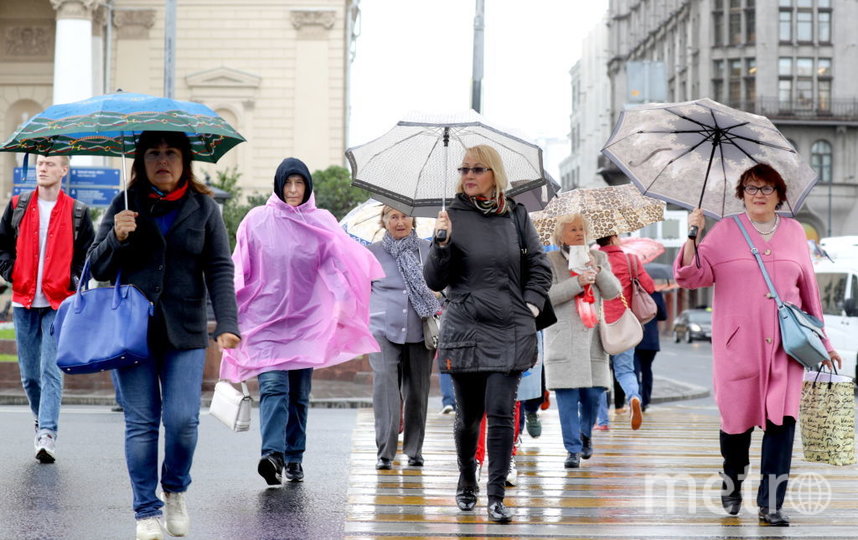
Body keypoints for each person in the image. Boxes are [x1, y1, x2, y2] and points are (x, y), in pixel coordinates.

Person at [88, 131, 241, 540]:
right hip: (130, 333)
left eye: (171, 153)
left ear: (184, 160)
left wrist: (227, 323)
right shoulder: (124, 204)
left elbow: (220, 268)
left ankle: (174, 488)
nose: (162, 160)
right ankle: (146, 510)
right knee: (141, 423)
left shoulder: (204, 207)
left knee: (181, 422)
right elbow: (96, 267)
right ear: (141, 161)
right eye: (153, 153)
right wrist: (117, 238)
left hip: (186, 331)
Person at [676, 163, 842, 527]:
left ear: (780, 195)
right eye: (751, 188)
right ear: (741, 194)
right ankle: (732, 481)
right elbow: (691, 276)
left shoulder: (796, 232)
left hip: (787, 347)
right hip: (738, 348)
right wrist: (693, 235)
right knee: (736, 427)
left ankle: (771, 504)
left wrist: (824, 343)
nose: (759, 194)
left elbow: (809, 292)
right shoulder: (724, 232)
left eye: (767, 188)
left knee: (781, 425)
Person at [219, 158, 383, 488]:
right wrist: (230, 311)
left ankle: (294, 456)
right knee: (274, 388)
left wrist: (344, 304)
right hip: (266, 320)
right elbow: (239, 265)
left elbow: (335, 266)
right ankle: (273, 455)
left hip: (307, 323)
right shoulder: (256, 220)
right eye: (288, 184)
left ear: (307, 187)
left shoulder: (320, 222)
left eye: (300, 184)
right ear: (278, 185)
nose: (293, 190)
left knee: (298, 394)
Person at [424, 144, 551, 523]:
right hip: (465, 326)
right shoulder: (450, 216)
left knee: (501, 412)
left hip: (510, 326)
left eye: (477, 169)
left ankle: (496, 496)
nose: (469, 175)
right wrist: (440, 242)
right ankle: (467, 478)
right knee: (468, 417)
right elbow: (434, 279)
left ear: (495, 174)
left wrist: (529, 306)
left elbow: (540, 266)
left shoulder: (516, 215)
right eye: (464, 169)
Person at [0, 154, 94, 463]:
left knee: (50, 369)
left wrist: (74, 278)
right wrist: (10, 272)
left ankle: (48, 433)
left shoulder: (78, 212)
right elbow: (1, 245)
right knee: (29, 375)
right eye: (40, 162)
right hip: (24, 300)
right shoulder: (17, 206)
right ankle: (41, 421)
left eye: (51, 163)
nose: (43, 167)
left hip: (58, 301)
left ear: (64, 170)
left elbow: (87, 255)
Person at [544, 214, 621, 468]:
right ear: (560, 235)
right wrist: (577, 282)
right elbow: (548, 298)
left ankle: (585, 433)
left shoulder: (599, 258)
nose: (579, 233)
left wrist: (597, 272)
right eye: (573, 229)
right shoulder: (550, 261)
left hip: (593, 341)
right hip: (563, 338)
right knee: (567, 397)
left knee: (593, 394)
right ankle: (572, 449)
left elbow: (612, 292)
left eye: (582, 229)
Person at [367, 205, 439, 470]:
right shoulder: (372, 253)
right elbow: (361, 291)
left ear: (413, 220)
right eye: (393, 216)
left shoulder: (427, 250)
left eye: (405, 216)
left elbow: (442, 283)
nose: (400, 221)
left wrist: (436, 294)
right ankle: (385, 452)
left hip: (420, 328)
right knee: (385, 388)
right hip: (383, 329)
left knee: (418, 391)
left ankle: (414, 449)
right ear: (384, 221)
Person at [596, 234, 654, 430]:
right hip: (624, 324)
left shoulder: (592, 259)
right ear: (613, 237)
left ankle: (601, 422)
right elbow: (650, 287)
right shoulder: (631, 260)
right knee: (625, 370)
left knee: (599, 373)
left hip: (598, 324)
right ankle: (634, 397)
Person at [634, 290, 667, 411]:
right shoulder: (656, 294)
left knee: (634, 370)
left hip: (635, 337)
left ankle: (636, 399)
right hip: (651, 340)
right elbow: (663, 316)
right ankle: (646, 401)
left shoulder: (633, 292)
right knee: (647, 370)